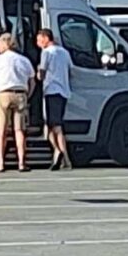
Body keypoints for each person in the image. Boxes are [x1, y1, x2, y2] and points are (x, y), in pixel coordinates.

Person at [0, 34, 35, 172]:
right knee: (19, 130)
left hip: (3, 94)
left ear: (5, 44)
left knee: (1, 131)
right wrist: (28, 95)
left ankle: (0, 163)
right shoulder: (24, 60)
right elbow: (32, 80)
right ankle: (21, 163)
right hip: (20, 94)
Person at [32, 28, 75, 170]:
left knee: (54, 126)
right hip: (64, 91)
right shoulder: (64, 52)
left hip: (51, 90)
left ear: (45, 38)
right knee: (56, 124)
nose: (37, 43)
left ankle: (59, 152)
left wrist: (38, 72)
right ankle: (65, 160)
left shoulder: (46, 53)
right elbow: (71, 70)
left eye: (39, 40)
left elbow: (42, 74)